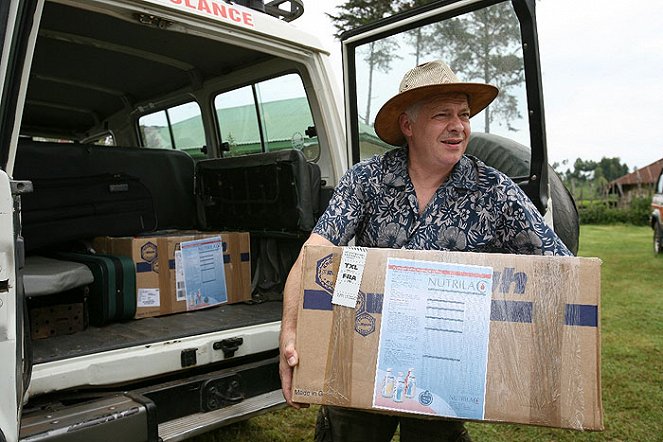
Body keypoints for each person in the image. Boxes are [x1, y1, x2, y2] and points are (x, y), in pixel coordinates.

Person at [279, 60, 572, 442]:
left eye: (464, 114)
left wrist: (513, 354)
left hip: (444, 376)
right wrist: (291, 333)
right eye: (442, 115)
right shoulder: (367, 179)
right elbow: (312, 254)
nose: (458, 126)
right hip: (364, 357)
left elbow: (561, 272)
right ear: (408, 125)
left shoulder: (494, 191)